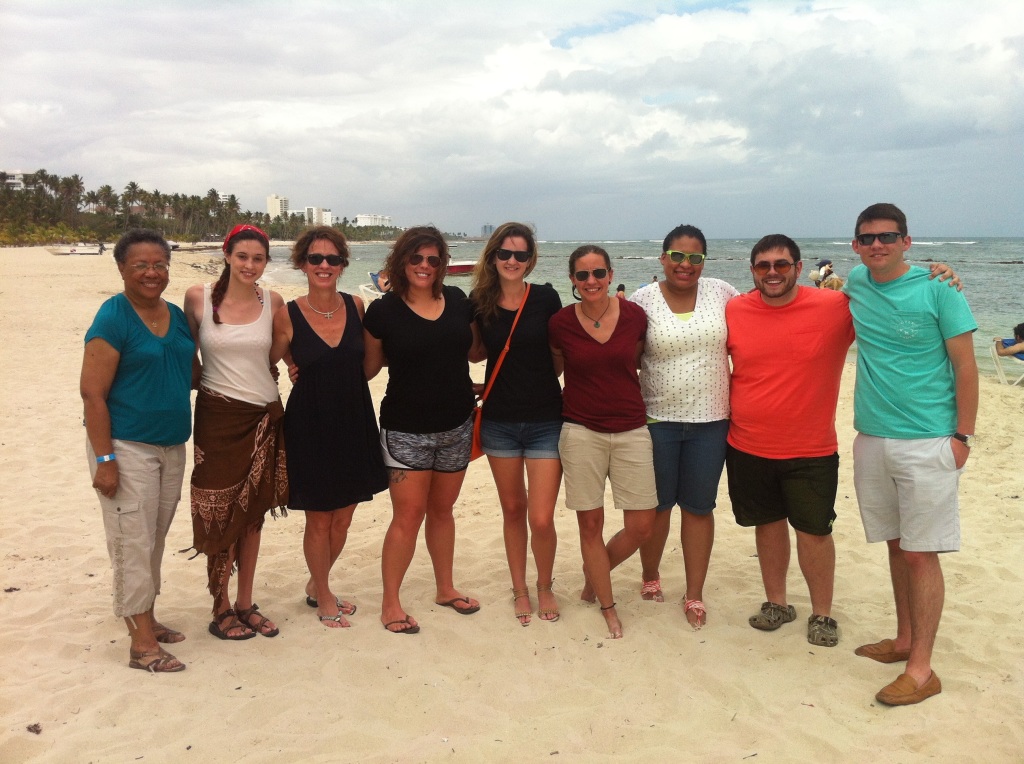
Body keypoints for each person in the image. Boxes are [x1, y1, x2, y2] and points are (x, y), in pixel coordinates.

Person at [846, 203, 978, 706]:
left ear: (907, 240)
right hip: (873, 438)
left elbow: (966, 368)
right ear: (856, 245)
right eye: (867, 238)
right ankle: (903, 641)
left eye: (887, 236)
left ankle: (922, 670)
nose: (877, 245)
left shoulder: (939, 289)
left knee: (922, 553)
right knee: (897, 545)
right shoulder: (856, 283)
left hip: (929, 441)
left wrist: (962, 437)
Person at [725, 234, 854, 648]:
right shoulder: (735, 309)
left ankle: (823, 614)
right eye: (763, 266)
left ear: (800, 269)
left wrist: (937, 274)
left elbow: (892, 298)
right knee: (767, 526)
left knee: (814, 532)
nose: (772, 272)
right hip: (747, 443)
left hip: (811, 448)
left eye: (782, 264)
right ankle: (777, 603)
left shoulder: (835, 307)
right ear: (752, 272)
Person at [81, 229, 195, 672]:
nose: (152, 273)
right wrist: (105, 459)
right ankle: (142, 643)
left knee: (153, 537)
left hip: (171, 445)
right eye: (140, 265)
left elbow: (192, 373)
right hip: (125, 446)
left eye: (159, 264)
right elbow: (92, 395)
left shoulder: (176, 315)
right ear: (122, 269)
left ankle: (145, 615)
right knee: (132, 540)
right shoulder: (113, 317)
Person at [363, 225, 483, 634]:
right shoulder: (383, 311)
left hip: (457, 424)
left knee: (443, 511)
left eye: (433, 260)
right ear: (402, 261)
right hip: (405, 430)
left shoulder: (457, 300)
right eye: (416, 258)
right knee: (408, 515)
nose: (425, 266)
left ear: (443, 265)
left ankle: (445, 588)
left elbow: (473, 351)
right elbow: (366, 368)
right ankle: (390, 602)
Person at [270, 227, 388, 628]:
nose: (324, 265)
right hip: (309, 423)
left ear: (342, 264)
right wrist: (290, 363)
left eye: (332, 259)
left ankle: (314, 583)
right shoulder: (287, 312)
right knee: (319, 518)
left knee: (345, 516)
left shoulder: (357, 306)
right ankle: (323, 594)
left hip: (354, 419)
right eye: (315, 258)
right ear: (302, 263)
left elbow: (372, 364)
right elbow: (270, 353)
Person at [629, 224, 738, 629]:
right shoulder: (642, 300)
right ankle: (650, 576)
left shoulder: (723, 292)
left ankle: (694, 594)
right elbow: (625, 352)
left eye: (694, 257)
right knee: (657, 508)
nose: (685, 264)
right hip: (657, 420)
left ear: (704, 261)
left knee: (698, 508)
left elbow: (770, 309)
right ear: (663, 258)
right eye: (677, 256)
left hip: (712, 422)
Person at [184, 224, 288, 641]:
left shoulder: (274, 301)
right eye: (242, 256)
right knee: (218, 511)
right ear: (227, 254)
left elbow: (281, 347)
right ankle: (220, 605)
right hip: (216, 419)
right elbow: (185, 352)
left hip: (263, 417)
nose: (250, 265)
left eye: (258, 258)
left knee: (253, 514)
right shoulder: (198, 297)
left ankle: (245, 602)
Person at [549, 245, 657, 639]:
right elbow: (553, 369)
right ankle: (607, 606)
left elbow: (641, 359)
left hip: (631, 428)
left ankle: (594, 571)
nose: (591, 281)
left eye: (598, 273)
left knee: (642, 525)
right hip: (580, 431)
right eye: (582, 275)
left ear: (611, 274)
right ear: (573, 281)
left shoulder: (634, 316)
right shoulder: (560, 322)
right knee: (590, 525)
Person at [470, 222, 563, 626]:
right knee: (512, 509)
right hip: (500, 422)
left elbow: (560, 355)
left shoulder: (545, 297)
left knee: (541, 516)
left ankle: (544, 585)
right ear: (493, 257)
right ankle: (519, 588)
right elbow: (472, 352)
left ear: (531, 259)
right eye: (504, 254)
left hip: (546, 419)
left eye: (520, 254)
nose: (511, 261)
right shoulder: (479, 301)